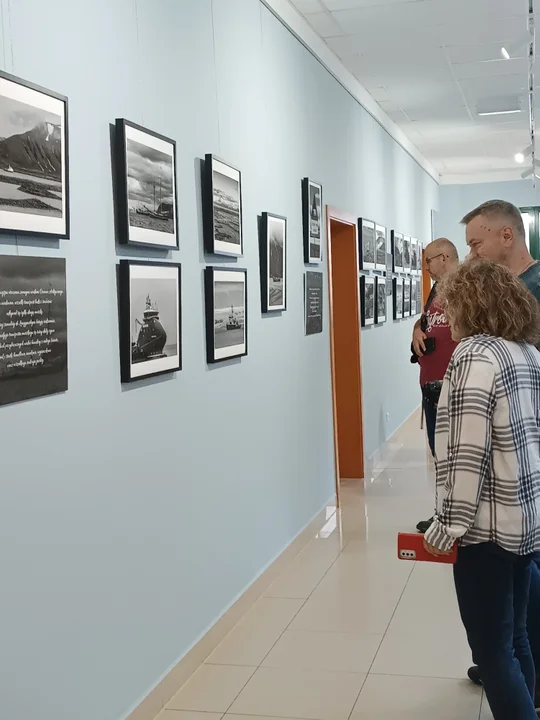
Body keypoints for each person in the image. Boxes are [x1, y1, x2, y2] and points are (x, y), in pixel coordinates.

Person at [423, 260, 540, 720]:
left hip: (485, 530)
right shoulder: (526, 352)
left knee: (492, 652)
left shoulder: (474, 355)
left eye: (451, 304)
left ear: (473, 302)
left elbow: (466, 452)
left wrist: (447, 525)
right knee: (516, 639)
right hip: (524, 518)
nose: (446, 314)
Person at [460, 200, 540, 695]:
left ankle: (510, 669)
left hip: (523, 467)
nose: (471, 256)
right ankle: (507, 664)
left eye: (475, 243)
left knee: (523, 587)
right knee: (512, 609)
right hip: (515, 472)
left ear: (506, 236)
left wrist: (450, 522)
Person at [411, 239, 459, 534]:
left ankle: (455, 517)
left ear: (443, 258)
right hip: (430, 386)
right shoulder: (436, 290)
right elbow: (429, 320)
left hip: (455, 388)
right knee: (438, 452)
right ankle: (441, 514)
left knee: (455, 455)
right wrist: (417, 328)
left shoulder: (466, 288)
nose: (426, 268)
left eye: (428, 261)